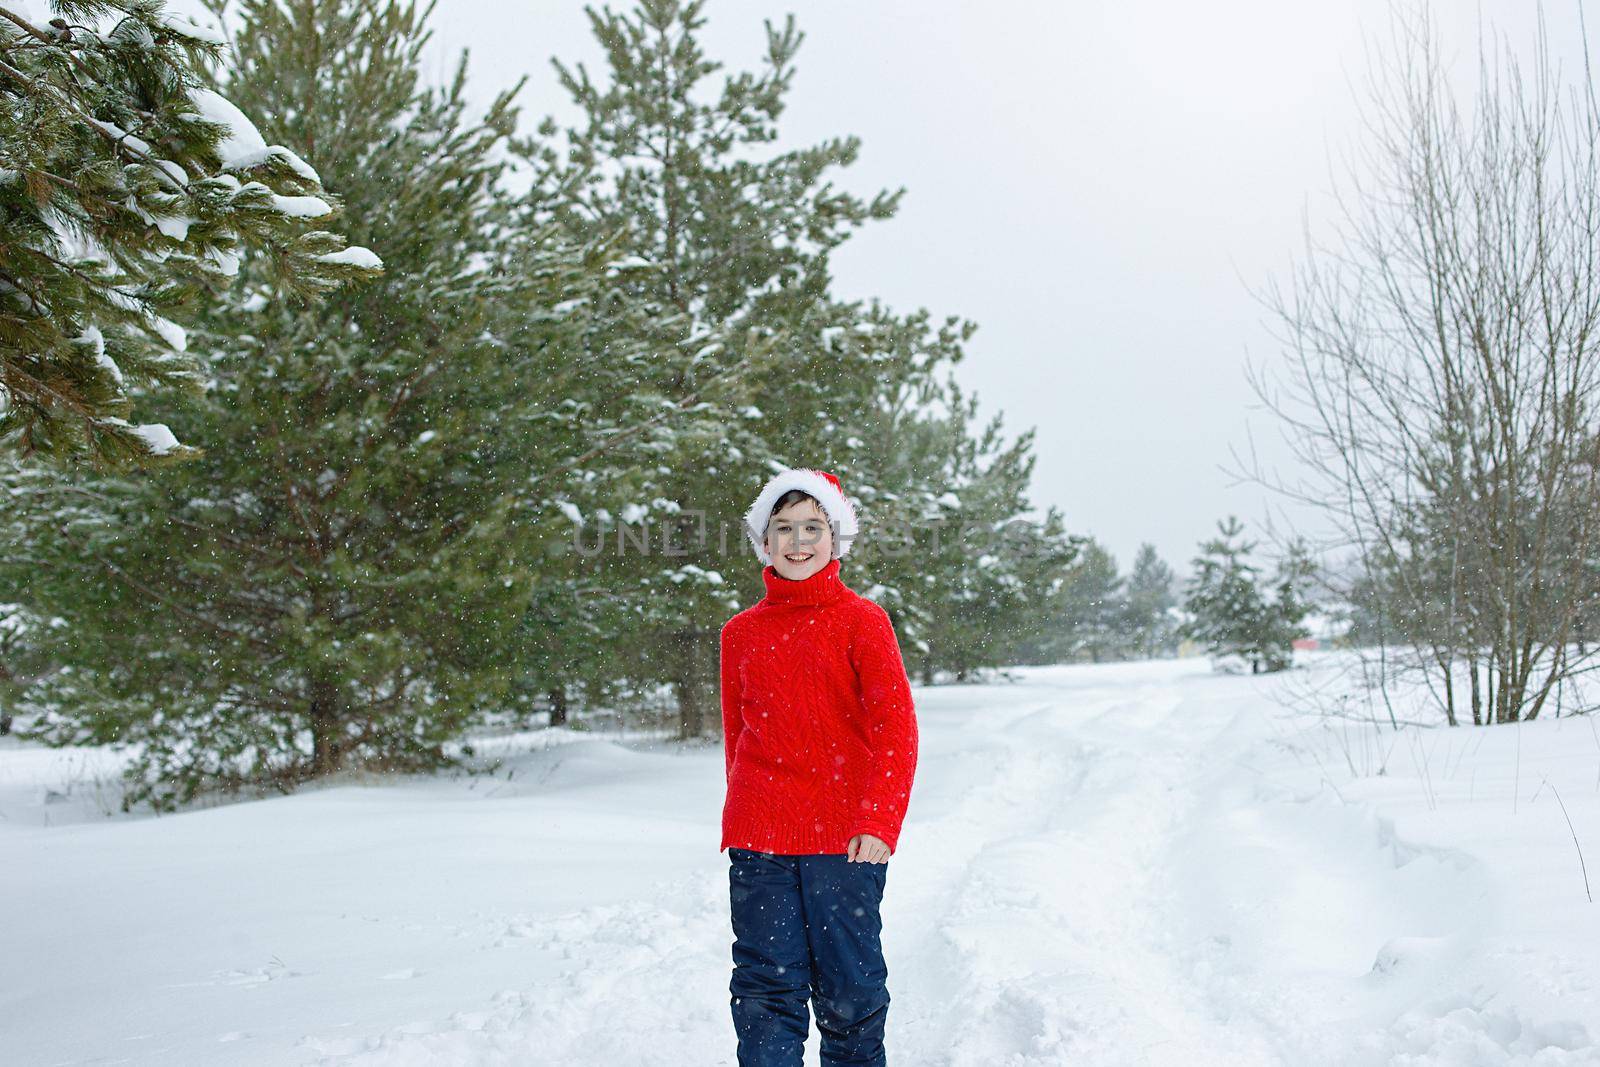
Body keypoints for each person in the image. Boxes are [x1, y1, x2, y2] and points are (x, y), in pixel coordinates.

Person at [720, 466, 920, 1067]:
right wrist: (746, 818)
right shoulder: (740, 634)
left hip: (846, 840)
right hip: (761, 841)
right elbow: (738, 738)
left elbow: (896, 729)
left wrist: (879, 822)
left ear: (836, 539)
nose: (798, 541)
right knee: (765, 991)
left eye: (813, 527)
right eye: (783, 528)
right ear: (764, 541)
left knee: (850, 991)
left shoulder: (863, 621)